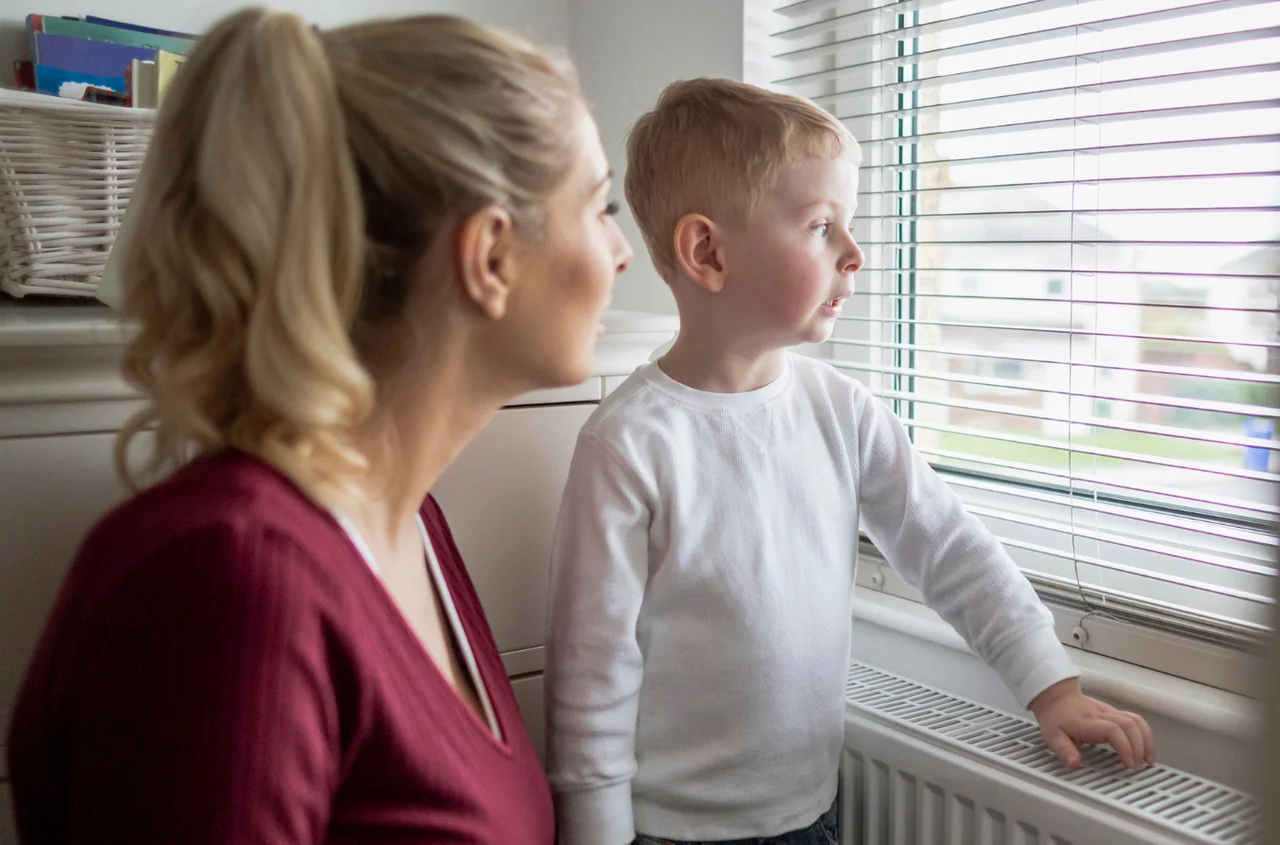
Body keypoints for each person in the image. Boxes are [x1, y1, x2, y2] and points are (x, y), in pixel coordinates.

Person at [6, 8, 631, 844]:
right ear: (489, 257)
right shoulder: (227, 584)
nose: (622, 253)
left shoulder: (410, 524)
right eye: (601, 208)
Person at [543, 77, 1154, 845]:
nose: (855, 253)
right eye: (821, 226)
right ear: (707, 251)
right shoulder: (629, 444)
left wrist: (1050, 682)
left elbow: (950, 547)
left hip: (813, 812)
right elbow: (591, 670)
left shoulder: (843, 412)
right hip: (674, 830)